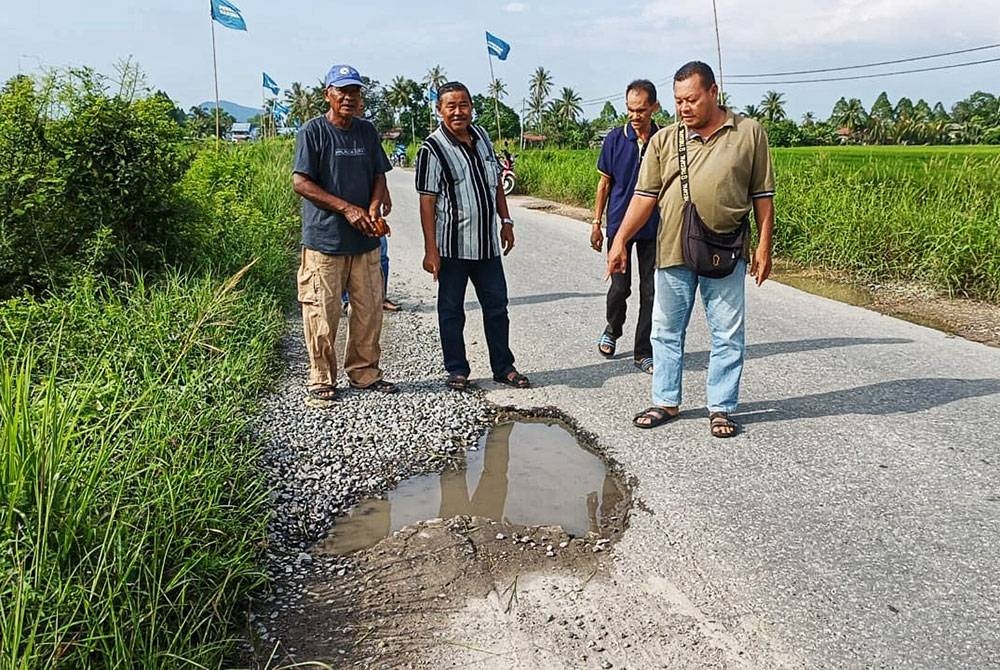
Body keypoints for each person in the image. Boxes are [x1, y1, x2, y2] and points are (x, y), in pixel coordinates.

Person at [608, 61, 775, 438]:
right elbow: (643, 196)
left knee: (728, 332)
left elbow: (763, 196)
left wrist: (765, 246)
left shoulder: (748, 133)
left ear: (714, 92)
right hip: (673, 249)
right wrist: (619, 240)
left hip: (727, 247)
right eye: (679, 101)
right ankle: (665, 400)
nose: (684, 108)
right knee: (666, 330)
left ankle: (721, 407)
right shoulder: (664, 140)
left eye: (692, 99)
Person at [292, 63, 399, 407]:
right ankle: (322, 377)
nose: (349, 98)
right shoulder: (313, 132)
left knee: (369, 311)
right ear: (328, 95)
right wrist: (347, 209)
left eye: (355, 92)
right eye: (342, 91)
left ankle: (365, 372)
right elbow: (301, 182)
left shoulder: (366, 131)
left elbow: (380, 174)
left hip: (366, 241)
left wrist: (371, 205)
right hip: (325, 241)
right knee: (323, 312)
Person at [415, 81, 530, 392]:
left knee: (497, 308)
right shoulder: (432, 148)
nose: (458, 111)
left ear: (471, 107)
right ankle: (457, 369)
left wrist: (506, 220)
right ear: (439, 110)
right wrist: (431, 250)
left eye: (463, 104)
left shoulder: (481, 137)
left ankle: (503, 367)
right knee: (451, 310)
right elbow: (427, 202)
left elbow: (495, 184)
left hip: (487, 246)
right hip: (452, 247)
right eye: (450, 106)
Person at [592, 79, 662, 374]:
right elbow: (604, 183)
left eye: (642, 110)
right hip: (620, 226)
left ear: (655, 108)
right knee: (620, 288)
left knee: (651, 292)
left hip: (654, 228)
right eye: (631, 110)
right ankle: (612, 328)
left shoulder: (665, 138)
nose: (635, 116)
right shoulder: (614, 139)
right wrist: (597, 223)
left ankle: (643, 350)